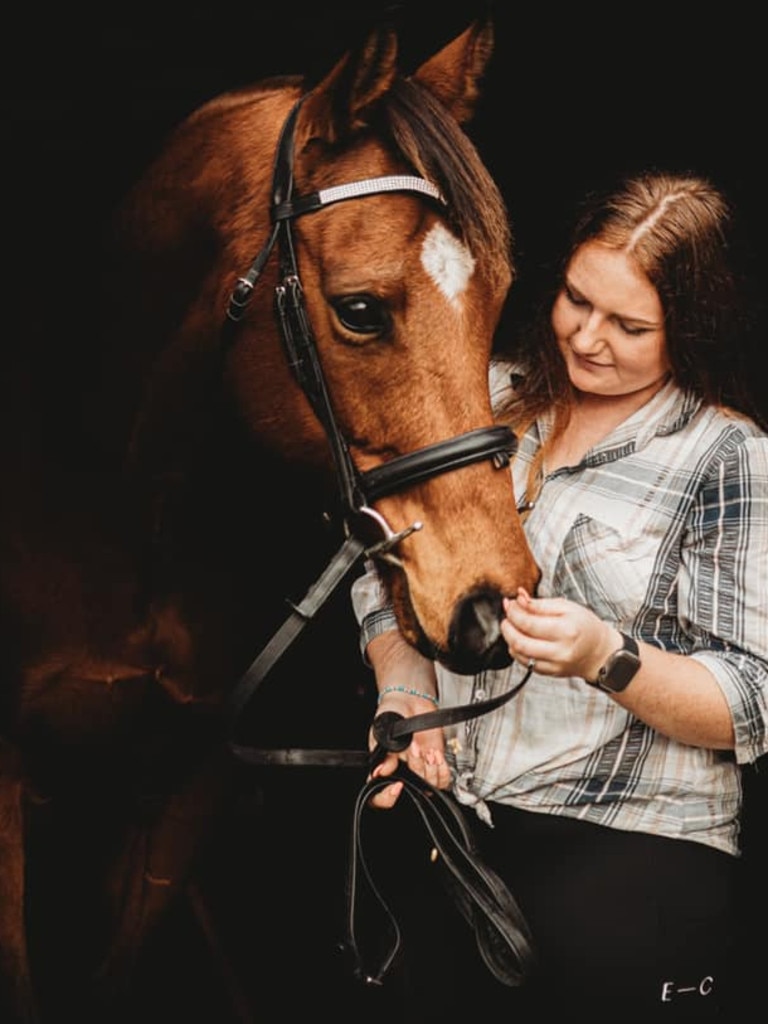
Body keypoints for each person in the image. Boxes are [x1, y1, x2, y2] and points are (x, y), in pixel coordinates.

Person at [349, 170, 768, 1020]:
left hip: (629, 849)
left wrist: (605, 658)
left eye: (631, 325)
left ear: (692, 328)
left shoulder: (728, 457)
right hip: (451, 825)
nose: (587, 337)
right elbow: (383, 569)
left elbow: (751, 699)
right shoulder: (486, 396)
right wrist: (404, 688)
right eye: (578, 300)